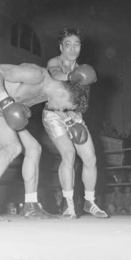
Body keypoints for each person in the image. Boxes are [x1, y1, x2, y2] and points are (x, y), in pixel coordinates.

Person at [0, 62, 89, 222]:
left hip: (5, 111)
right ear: (63, 94)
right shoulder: (37, 75)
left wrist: (69, 123)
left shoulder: (47, 94)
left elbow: (22, 99)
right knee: (12, 147)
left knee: (34, 149)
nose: (62, 111)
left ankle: (31, 206)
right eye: (65, 107)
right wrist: (5, 102)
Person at [43, 28, 107, 219]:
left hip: (74, 116)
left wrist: (76, 117)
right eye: (68, 44)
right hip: (54, 115)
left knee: (90, 159)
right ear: (61, 46)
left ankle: (89, 202)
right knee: (68, 155)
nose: (72, 48)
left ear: (80, 47)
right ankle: (68, 205)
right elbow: (55, 74)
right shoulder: (55, 62)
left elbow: (81, 102)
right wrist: (73, 77)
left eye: (76, 44)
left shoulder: (84, 69)